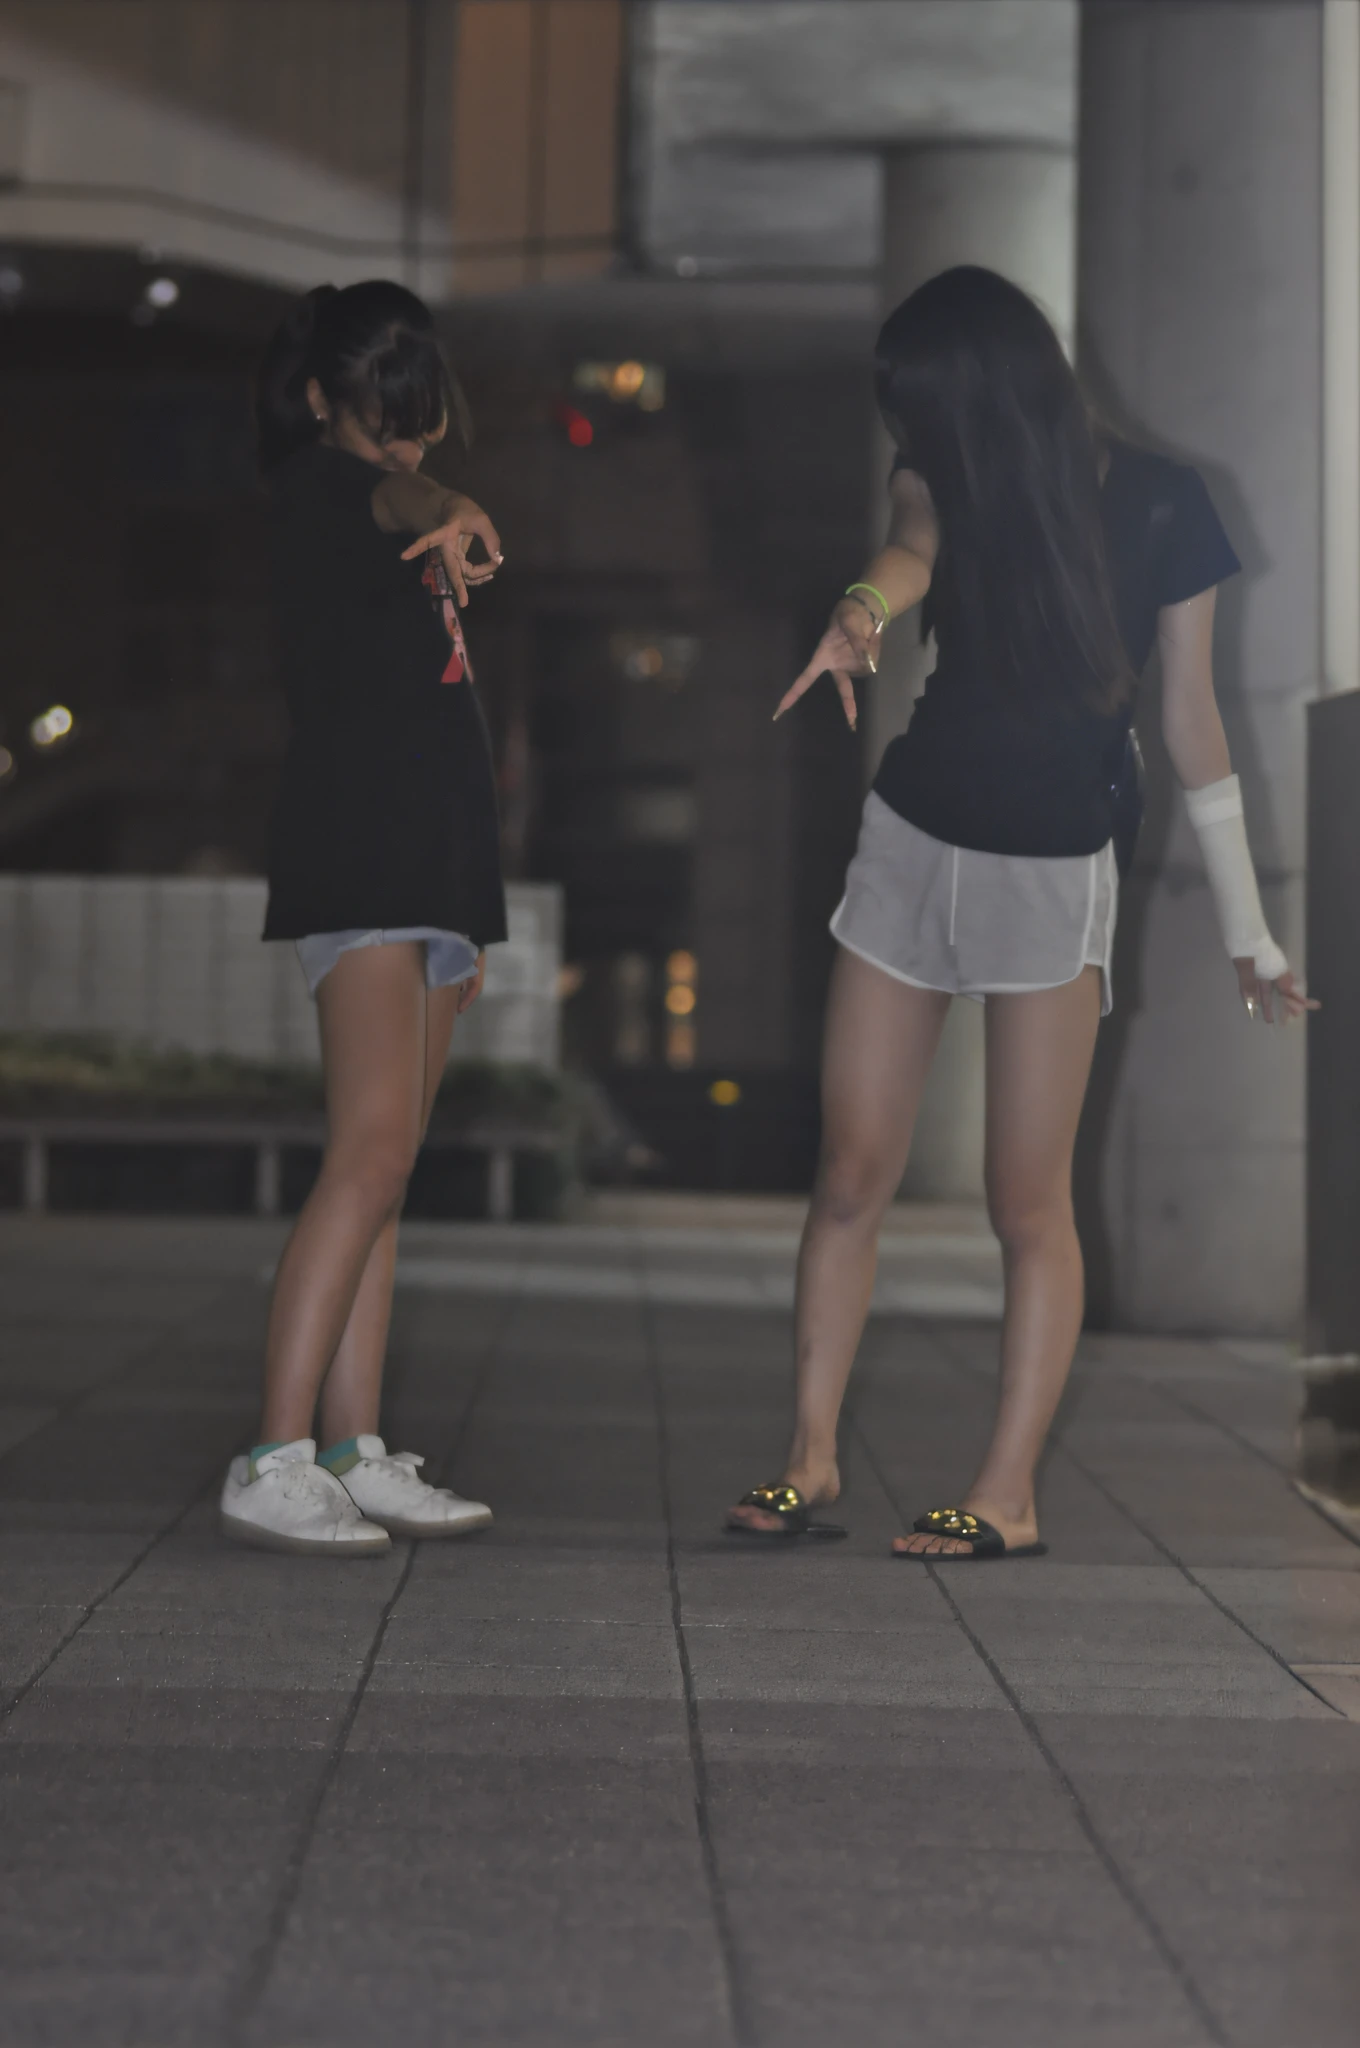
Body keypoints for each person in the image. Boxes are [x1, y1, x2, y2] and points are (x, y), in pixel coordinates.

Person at [728, 265, 1317, 1560]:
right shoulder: (947, 478)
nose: (906, 440)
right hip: (911, 841)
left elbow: (1190, 721)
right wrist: (859, 612)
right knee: (850, 1169)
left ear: (980, 394)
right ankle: (810, 1458)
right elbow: (908, 550)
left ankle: (1007, 1492)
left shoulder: (1165, 501)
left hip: (1052, 868)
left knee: (1023, 1201)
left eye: (917, 411)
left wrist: (1247, 930)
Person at [220, 280, 507, 1556]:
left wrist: (470, 911)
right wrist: (440, 501)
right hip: (363, 855)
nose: (402, 440)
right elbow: (394, 496)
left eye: (419, 416)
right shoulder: (328, 497)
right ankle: (274, 1451)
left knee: (386, 1171)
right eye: (379, 414)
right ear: (325, 401)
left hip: (430, 867)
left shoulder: (384, 497)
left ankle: (352, 1447)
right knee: (370, 1155)